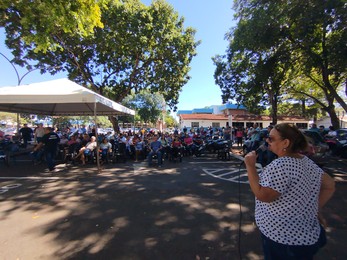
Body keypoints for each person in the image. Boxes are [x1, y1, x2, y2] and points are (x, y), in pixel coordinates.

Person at [244, 123, 335, 259]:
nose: (267, 141)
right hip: (305, 236)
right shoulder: (304, 160)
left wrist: (250, 166)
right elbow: (329, 185)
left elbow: (263, 195)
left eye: (271, 138)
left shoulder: (280, 165)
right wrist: (315, 208)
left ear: (285, 142)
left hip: (282, 238)